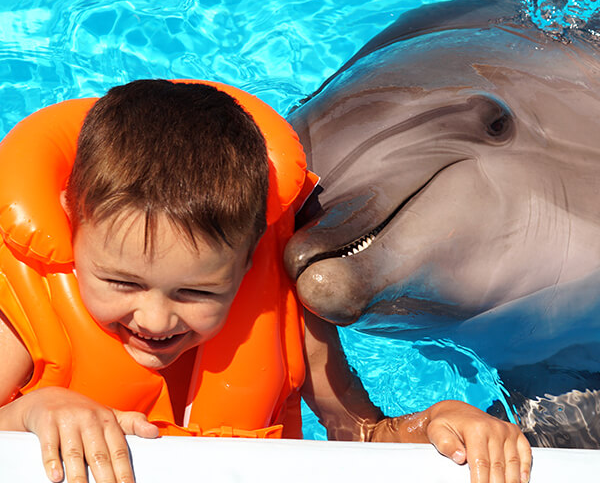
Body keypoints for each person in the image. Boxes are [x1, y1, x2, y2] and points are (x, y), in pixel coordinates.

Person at [0, 79, 531, 483]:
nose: (155, 319)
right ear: (72, 222)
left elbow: (361, 432)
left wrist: (443, 422)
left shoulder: (288, 320)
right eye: (121, 283)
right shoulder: (24, 321)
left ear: (251, 252)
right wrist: (34, 410)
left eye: (197, 291)